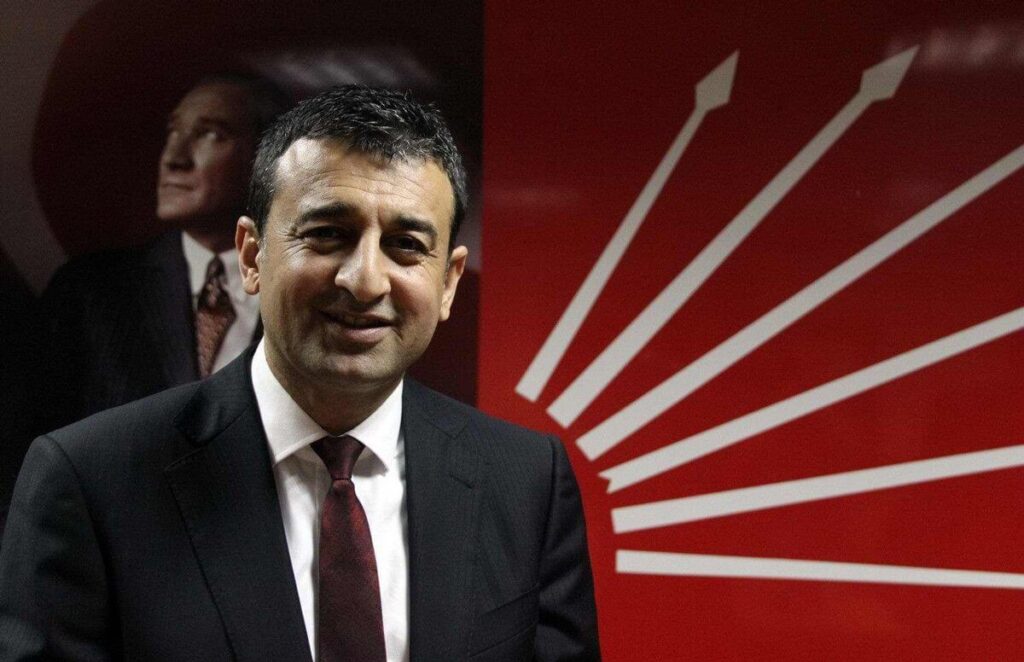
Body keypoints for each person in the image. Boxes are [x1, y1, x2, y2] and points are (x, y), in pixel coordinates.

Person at [0, 85, 600, 661]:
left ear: (448, 282)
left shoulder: (528, 484)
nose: (365, 281)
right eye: (328, 235)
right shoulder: (90, 482)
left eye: (405, 245)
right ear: (251, 256)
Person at [31, 73, 290, 434]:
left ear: (268, 161)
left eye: (210, 134)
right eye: (173, 132)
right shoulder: (88, 293)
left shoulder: (309, 294)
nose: (173, 158)